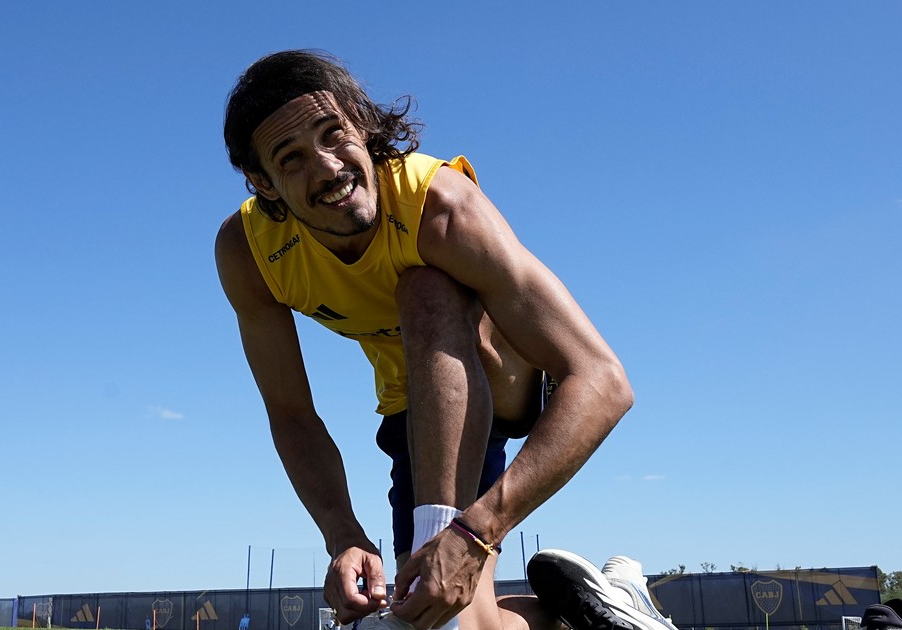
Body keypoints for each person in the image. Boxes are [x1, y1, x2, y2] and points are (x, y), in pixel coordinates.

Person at [215, 50, 656, 630]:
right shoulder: (249, 252)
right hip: (412, 402)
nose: (326, 169)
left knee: (425, 287)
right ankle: (604, 606)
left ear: (361, 123)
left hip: (502, 376)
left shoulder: (439, 206)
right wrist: (342, 535)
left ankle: (446, 538)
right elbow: (291, 413)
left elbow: (604, 380)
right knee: (452, 621)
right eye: (290, 158)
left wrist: (476, 531)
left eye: (333, 134)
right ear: (262, 184)